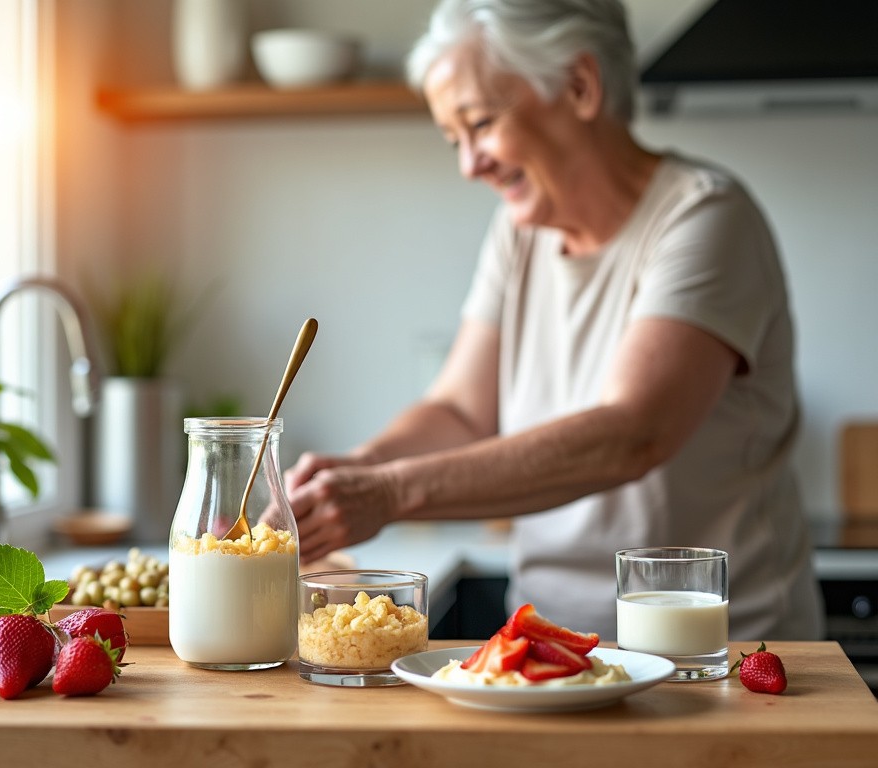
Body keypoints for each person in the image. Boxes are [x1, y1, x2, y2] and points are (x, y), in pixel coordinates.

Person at [284, 0, 824, 642]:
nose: (469, 164)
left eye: (480, 123)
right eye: (454, 138)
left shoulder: (705, 218)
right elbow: (459, 411)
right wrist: (354, 472)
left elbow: (633, 434)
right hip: (549, 644)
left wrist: (389, 493)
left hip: (717, 654)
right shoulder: (521, 234)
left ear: (580, 87)